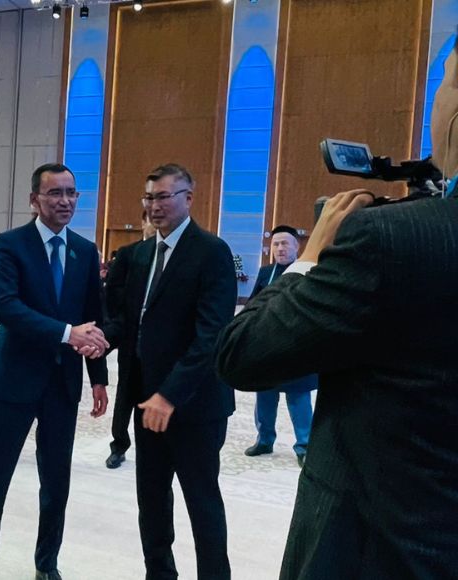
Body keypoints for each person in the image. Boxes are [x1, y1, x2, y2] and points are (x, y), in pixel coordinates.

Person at [215, 38, 458, 579]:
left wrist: (313, 255)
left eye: (444, 80)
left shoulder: (387, 241)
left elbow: (244, 354)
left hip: (383, 550)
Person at [0, 163, 110, 580]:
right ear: (34, 200)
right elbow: (8, 307)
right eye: (55, 193)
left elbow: (93, 318)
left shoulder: (85, 251)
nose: (65, 201)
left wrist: (98, 378)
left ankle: (47, 564)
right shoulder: (10, 244)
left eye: (71, 193)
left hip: (63, 384)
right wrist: (67, 333)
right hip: (15, 379)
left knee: (56, 480)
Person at [101, 164, 236, 579]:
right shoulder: (139, 255)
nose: (154, 206)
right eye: (149, 197)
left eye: (163, 197)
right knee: (152, 500)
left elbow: (211, 335)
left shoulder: (211, 252)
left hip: (194, 405)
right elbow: (130, 323)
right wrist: (97, 339)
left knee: (202, 502)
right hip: (146, 402)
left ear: (188, 198)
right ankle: (159, 573)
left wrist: (170, 395)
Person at [243, 225, 316, 467]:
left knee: (298, 398)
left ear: (297, 246)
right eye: (276, 244)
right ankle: (264, 440)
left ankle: (304, 445)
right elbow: (253, 304)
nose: (280, 248)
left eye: (285, 243)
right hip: (267, 345)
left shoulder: (308, 272)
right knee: (265, 395)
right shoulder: (265, 273)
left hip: (296, 347)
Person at [105, 210, 156, 469]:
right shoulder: (128, 254)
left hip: (157, 347)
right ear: (143, 223)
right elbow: (112, 299)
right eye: (150, 220)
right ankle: (119, 445)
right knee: (125, 397)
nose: (155, 225)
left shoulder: (175, 257)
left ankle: (152, 450)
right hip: (129, 343)